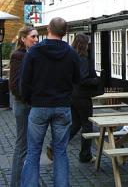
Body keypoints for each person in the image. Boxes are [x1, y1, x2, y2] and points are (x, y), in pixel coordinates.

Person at [19, 17, 80, 187]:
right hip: (62, 106)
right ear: (65, 32)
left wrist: (29, 100)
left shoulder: (34, 51)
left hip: (39, 106)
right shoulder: (71, 53)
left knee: (33, 152)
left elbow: (25, 81)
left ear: (48, 29)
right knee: (60, 152)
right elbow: (78, 79)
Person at [9, 26, 38, 187]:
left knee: (28, 145)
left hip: (29, 105)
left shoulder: (29, 54)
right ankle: (16, 183)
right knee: (22, 145)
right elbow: (15, 85)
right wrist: (29, 99)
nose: (35, 39)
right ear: (23, 39)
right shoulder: (18, 56)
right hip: (23, 105)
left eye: (36, 37)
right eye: (32, 37)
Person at [69, 33, 97, 162]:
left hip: (71, 96)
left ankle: (54, 145)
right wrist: (96, 80)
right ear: (84, 45)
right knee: (87, 125)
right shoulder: (83, 59)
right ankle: (85, 155)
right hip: (82, 96)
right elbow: (83, 79)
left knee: (75, 123)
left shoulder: (70, 57)